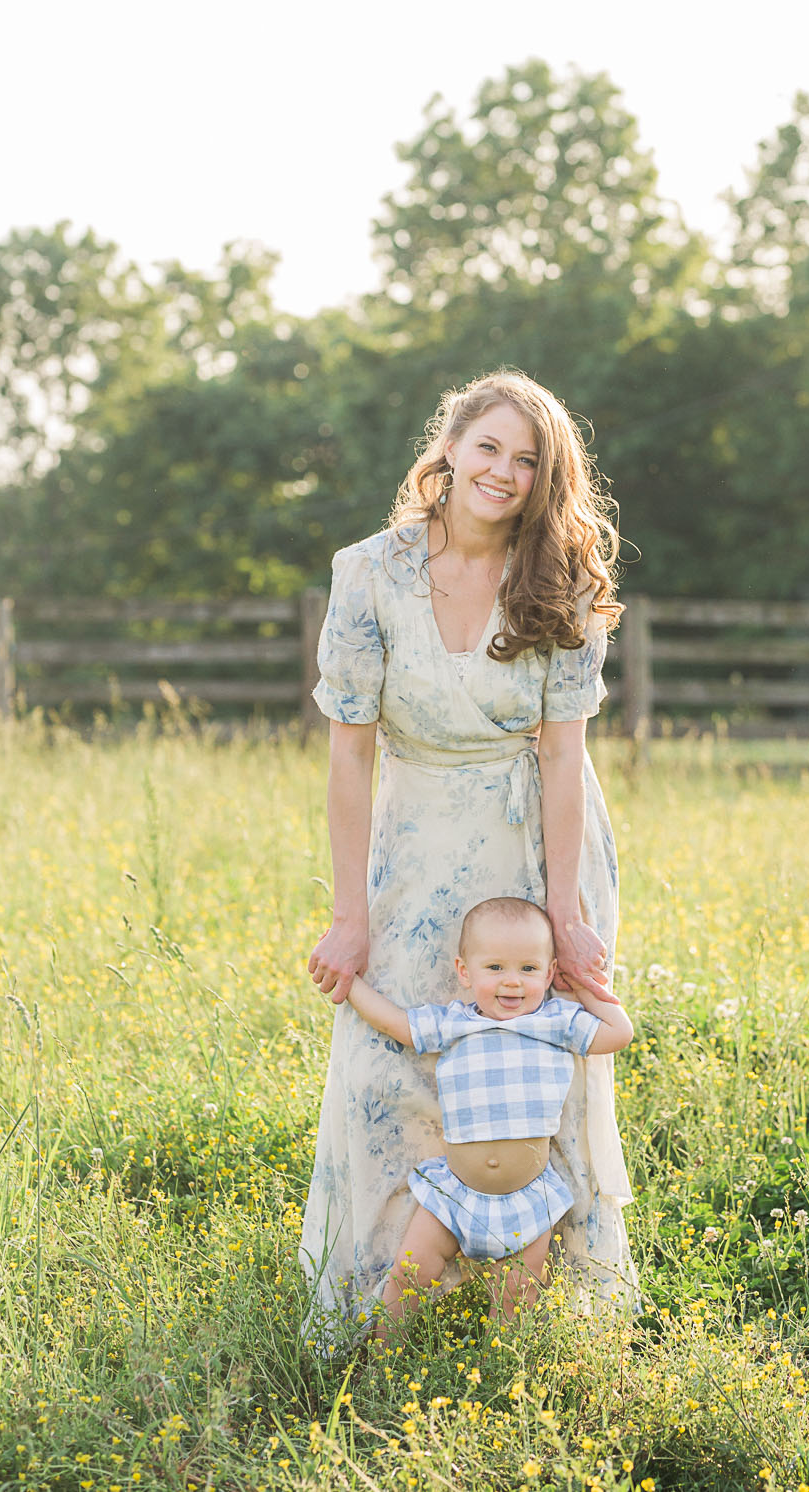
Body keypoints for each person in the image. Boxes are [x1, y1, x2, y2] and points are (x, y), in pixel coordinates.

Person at [300, 368, 637, 1343]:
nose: (503, 471)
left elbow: (562, 753)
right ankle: (387, 1301)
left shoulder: (558, 578)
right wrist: (349, 909)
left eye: (526, 460)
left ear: (544, 481)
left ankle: (544, 1308)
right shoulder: (366, 572)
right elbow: (348, 753)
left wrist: (565, 910)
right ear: (445, 446)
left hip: (536, 841)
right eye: (486, 446)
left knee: (536, 1059)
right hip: (411, 847)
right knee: (390, 1062)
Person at [331, 898, 633, 1339]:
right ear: (464, 972)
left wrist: (583, 985)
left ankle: (501, 1373)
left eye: (529, 969)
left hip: (528, 1199)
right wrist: (348, 983)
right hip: (453, 1194)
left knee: (518, 1298)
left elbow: (619, 1033)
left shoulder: (555, 1021)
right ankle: (381, 1364)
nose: (512, 982)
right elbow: (397, 1023)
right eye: (495, 968)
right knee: (408, 1274)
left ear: (549, 974)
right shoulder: (454, 1023)